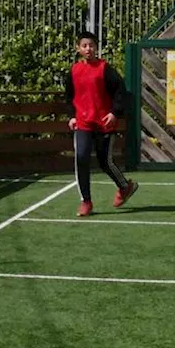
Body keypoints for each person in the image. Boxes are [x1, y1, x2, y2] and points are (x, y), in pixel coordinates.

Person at [64, 30, 137, 217]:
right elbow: (69, 96)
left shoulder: (106, 69)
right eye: (84, 45)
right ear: (78, 48)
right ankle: (86, 201)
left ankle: (124, 186)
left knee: (105, 161)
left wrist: (114, 113)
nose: (88, 49)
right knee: (81, 157)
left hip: (104, 123)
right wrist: (72, 115)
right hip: (83, 123)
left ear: (97, 47)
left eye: (91, 45)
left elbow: (120, 92)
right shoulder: (74, 71)